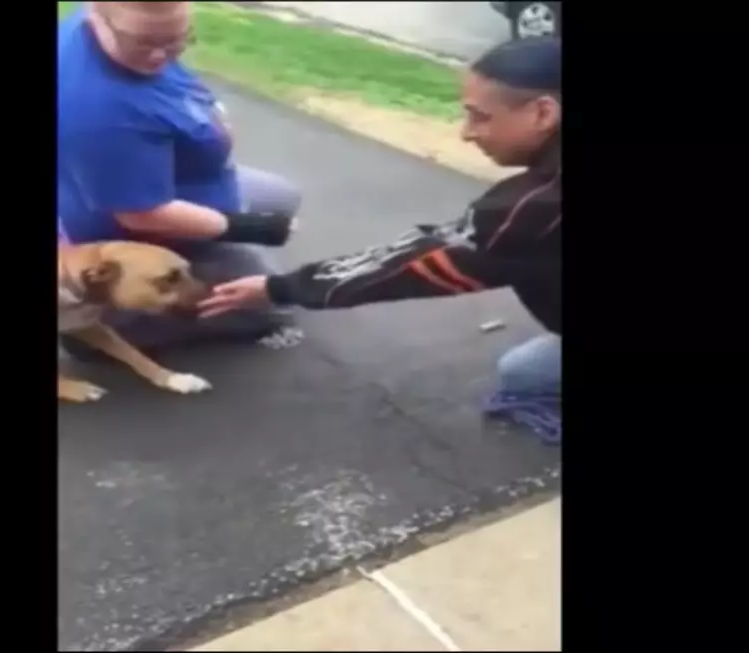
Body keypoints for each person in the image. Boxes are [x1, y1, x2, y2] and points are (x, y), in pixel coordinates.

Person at [199, 37, 562, 397]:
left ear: (543, 113)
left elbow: (415, 265)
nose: (467, 133)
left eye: (480, 117)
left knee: (522, 378)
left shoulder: (533, 208)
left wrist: (277, 288)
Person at [57, 1, 302, 355]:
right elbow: (141, 214)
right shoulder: (97, 111)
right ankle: (95, 328)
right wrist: (251, 227)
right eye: (142, 43)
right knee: (272, 303)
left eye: (176, 40)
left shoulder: (117, 23)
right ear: (96, 16)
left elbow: (166, 64)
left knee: (283, 195)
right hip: (132, 229)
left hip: (179, 182)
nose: (160, 55)